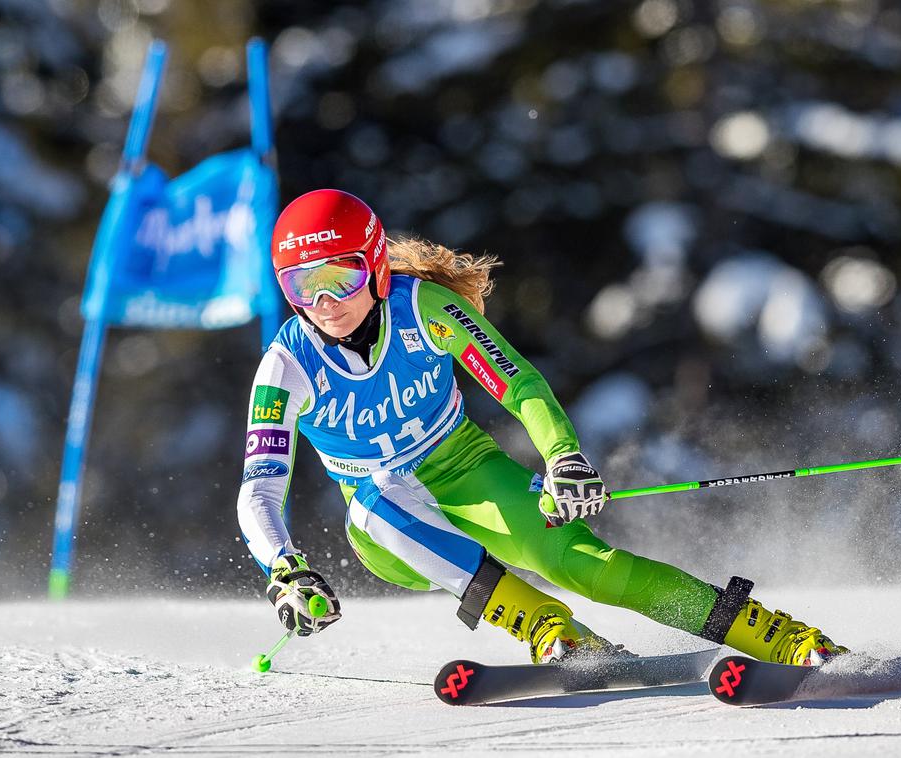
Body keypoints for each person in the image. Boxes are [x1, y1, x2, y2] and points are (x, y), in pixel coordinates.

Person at [237, 189, 848, 666]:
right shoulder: (286, 366)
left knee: (588, 564)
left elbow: (518, 383)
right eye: (301, 286)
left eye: (338, 278)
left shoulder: (424, 310)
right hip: (389, 528)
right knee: (372, 505)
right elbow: (260, 488)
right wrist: (284, 570)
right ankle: (546, 626)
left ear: (373, 263)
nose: (324, 303)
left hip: (471, 473)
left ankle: (779, 636)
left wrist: (563, 457)